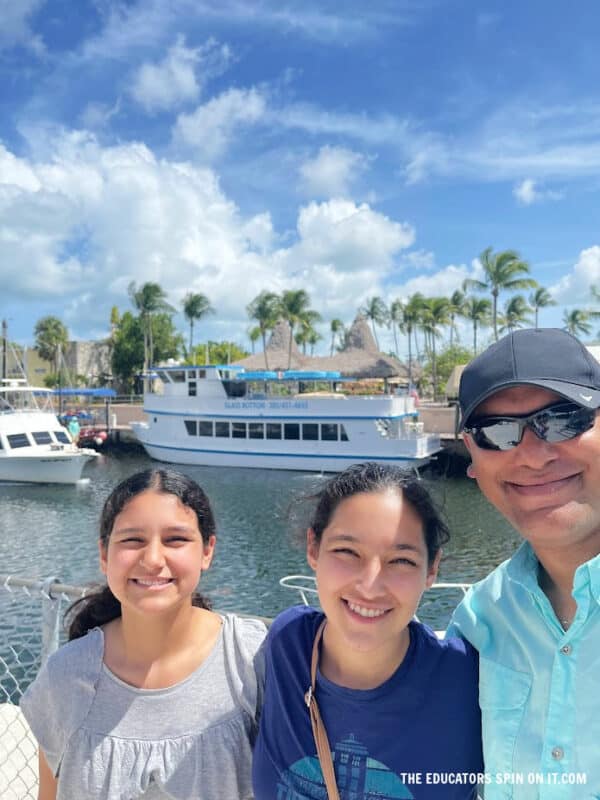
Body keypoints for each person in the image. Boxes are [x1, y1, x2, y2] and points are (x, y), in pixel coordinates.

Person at [21, 468, 266, 800]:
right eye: (133, 540)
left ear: (207, 550)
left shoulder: (252, 661)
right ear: (105, 554)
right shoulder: (66, 676)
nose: (152, 559)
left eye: (175, 540)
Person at [253, 462, 484, 799]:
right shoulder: (289, 646)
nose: (370, 586)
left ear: (431, 569)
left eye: (401, 560)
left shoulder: (469, 678)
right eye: (347, 552)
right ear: (313, 548)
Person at [447, 328, 600, 798]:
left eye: (564, 420)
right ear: (471, 456)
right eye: (497, 432)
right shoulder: (478, 618)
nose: (533, 456)